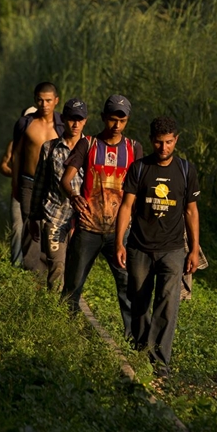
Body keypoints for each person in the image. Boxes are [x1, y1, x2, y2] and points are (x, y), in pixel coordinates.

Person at [115, 116, 201, 377]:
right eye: (158, 142)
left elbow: (191, 212)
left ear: (176, 140)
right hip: (140, 246)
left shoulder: (186, 170)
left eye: (168, 142)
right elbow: (127, 206)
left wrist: (194, 249)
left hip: (173, 249)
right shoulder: (140, 168)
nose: (163, 148)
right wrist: (119, 242)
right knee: (139, 300)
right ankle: (141, 349)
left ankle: (160, 360)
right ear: (151, 140)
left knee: (168, 302)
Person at [60, 95, 143, 338]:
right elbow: (66, 179)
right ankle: (65, 335)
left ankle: (133, 340)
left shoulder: (133, 148)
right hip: (88, 228)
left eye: (122, 120)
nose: (116, 125)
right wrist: (74, 196)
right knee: (73, 286)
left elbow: (140, 188)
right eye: (112, 119)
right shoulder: (88, 144)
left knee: (128, 287)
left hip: (120, 231)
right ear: (103, 118)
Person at [28, 98, 88, 291]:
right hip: (54, 216)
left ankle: (71, 308)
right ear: (63, 119)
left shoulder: (92, 149)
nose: (75, 124)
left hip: (82, 219)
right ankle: (54, 311)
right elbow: (40, 184)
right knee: (57, 265)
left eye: (80, 119)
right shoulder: (50, 148)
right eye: (72, 119)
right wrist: (33, 217)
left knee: (77, 267)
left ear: (86, 121)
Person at [12, 82, 65, 274]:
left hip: (53, 186)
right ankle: (31, 273)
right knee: (30, 226)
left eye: (48, 100)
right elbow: (16, 155)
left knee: (50, 228)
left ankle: (49, 272)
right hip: (29, 182)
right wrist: (15, 183)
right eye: (40, 100)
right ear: (35, 100)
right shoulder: (25, 123)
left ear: (56, 101)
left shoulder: (62, 125)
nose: (44, 104)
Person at [0, 106, 37, 266]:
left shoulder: (47, 140)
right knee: (18, 226)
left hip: (39, 190)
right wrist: (14, 173)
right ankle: (16, 263)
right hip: (19, 190)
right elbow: (3, 165)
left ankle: (34, 264)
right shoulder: (14, 143)